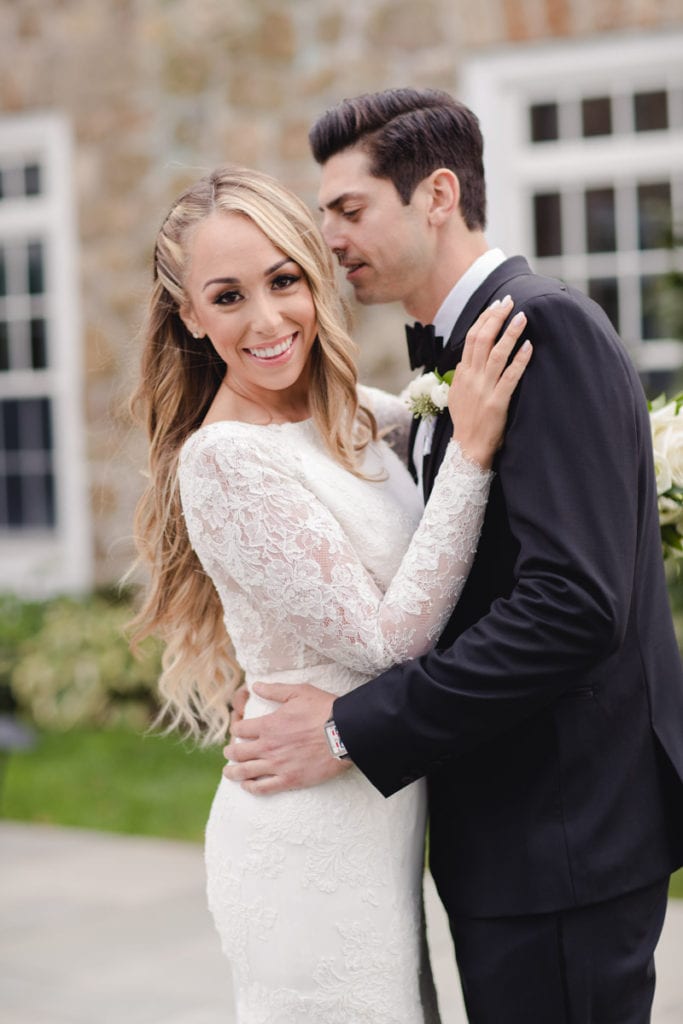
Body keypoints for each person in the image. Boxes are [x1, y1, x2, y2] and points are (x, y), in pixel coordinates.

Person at [224, 89, 683, 1023]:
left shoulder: (536, 331)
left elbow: (570, 607)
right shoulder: (450, 360)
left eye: (349, 210)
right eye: (325, 215)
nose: (330, 238)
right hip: (504, 829)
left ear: (435, 194)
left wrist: (349, 727)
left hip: (560, 832)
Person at [129, 163, 531, 1023]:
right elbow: (387, 643)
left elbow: (423, 416)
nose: (268, 320)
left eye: (283, 281)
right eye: (228, 297)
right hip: (306, 839)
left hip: (374, 817)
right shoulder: (227, 460)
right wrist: (472, 453)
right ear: (190, 317)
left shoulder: (340, 411)